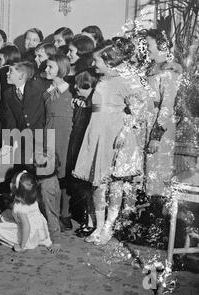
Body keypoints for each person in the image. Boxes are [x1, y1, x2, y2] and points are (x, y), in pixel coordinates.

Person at [72, 40, 145, 245]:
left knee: (115, 185)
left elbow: (139, 108)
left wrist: (125, 131)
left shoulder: (124, 81)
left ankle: (108, 228)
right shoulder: (102, 79)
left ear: (108, 60)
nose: (94, 64)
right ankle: (98, 226)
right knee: (97, 185)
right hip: (97, 135)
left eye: (97, 60)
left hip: (114, 137)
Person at [144, 29, 182, 201]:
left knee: (157, 174)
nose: (145, 48)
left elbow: (167, 106)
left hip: (160, 129)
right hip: (147, 124)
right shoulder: (151, 68)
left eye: (148, 44)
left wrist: (156, 136)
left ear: (161, 45)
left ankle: (157, 219)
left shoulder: (169, 71)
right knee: (148, 174)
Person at [43, 54, 74, 230]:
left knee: (64, 176)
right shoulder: (45, 91)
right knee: (48, 175)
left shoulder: (71, 91)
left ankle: (65, 214)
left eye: (50, 67)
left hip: (65, 136)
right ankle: (50, 214)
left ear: (61, 70)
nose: (46, 70)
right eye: (46, 66)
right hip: (48, 134)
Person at [66, 69, 98, 237]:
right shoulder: (81, 101)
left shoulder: (92, 105)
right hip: (79, 146)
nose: (75, 88)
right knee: (82, 187)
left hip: (89, 148)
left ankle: (91, 221)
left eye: (80, 86)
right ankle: (86, 218)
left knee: (90, 188)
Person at [0, 170, 52, 251]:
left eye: (12, 182)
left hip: (29, 235)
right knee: (6, 213)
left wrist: (22, 246)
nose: (10, 184)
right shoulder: (31, 198)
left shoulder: (19, 208)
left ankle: (22, 243)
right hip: (40, 230)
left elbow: (27, 227)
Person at [33, 150, 62, 253]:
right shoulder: (52, 178)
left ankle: (53, 234)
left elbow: (51, 213)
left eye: (36, 166)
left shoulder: (46, 188)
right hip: (50, 220)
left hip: (48, 224)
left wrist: (56, 240)